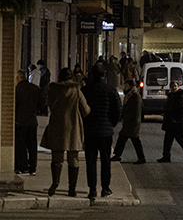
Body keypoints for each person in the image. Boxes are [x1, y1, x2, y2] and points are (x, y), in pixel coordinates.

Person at [41, 67, 90, 197]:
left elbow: (49, 105)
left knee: (56, 157)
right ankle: (72, 188)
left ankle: (55, 183)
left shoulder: (53, 90)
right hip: (73, 128)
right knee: (73, 158)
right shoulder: (76, 91)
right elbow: (85, 110)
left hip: (56, 126)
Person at [82, 62, 121, 199]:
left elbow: (81, 109)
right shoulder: (110, 90)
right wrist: (112, 123)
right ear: (104, 75)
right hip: (106, 131)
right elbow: (118, 109)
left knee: (90, 161)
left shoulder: (86, 90)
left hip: (90, 130)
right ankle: (105, 188)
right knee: (106, 161)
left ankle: (92, 189)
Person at [14, 69, 45, 175]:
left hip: (20, 121)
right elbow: (42, 103)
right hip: (32, 121)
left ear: (18, 78)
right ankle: (33, 167)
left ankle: (22, 167)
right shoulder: (35, 89)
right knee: (32, 145)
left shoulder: (17, 90)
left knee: (20, 145)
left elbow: (14, 105)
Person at [159, 80, 183, 163]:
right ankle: (166, 156)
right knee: (167, 140)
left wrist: (176, 119)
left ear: (178, 87)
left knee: (180, 140)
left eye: (175, 86)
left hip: (177, 124)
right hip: (170, 123)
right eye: (172, 86)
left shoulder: (181, 96)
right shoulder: (171, 95)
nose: (173, 88)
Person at [111, 79, 146, 164]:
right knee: (126, 138)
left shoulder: (135, 97)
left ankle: (141, 158)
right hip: (129, 122)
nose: (124, 88)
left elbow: (135, 111)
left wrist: (126, 118)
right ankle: (118, 155)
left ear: (130, 86)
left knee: (131, 139)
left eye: (126, 86)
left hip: (132, 122)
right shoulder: (129, 96)